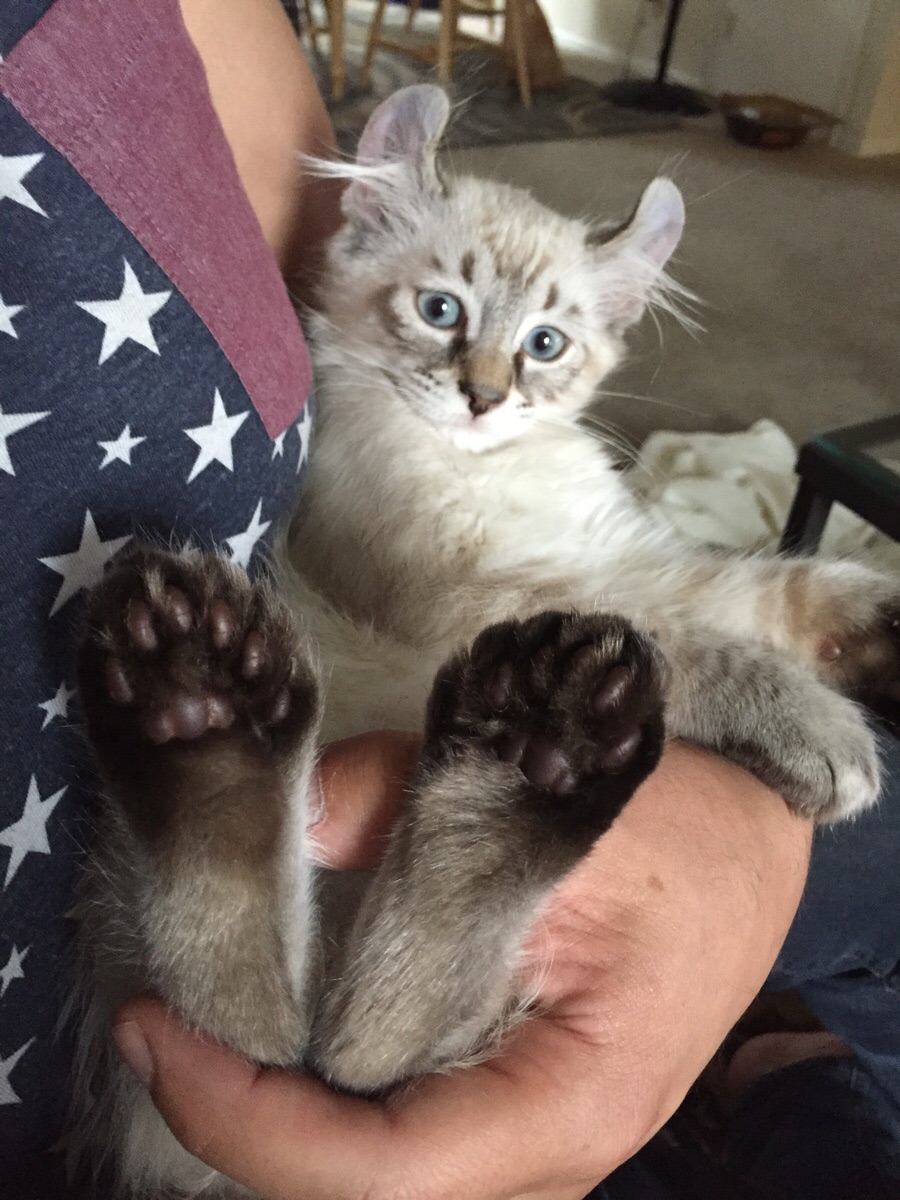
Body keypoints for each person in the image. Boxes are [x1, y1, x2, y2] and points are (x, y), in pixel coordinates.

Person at [0, 2, 897, 1197]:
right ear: (366, 240)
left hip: (307, 924)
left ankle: (324, 899)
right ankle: (436, 903)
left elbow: (636, 576)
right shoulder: (364, 415)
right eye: (442, 313)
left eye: (543, 349)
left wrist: (816, 607)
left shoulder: (537, 444)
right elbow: (488, 623)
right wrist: (721, 673)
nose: (482, 383)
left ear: (610, 332)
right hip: (353, 851)